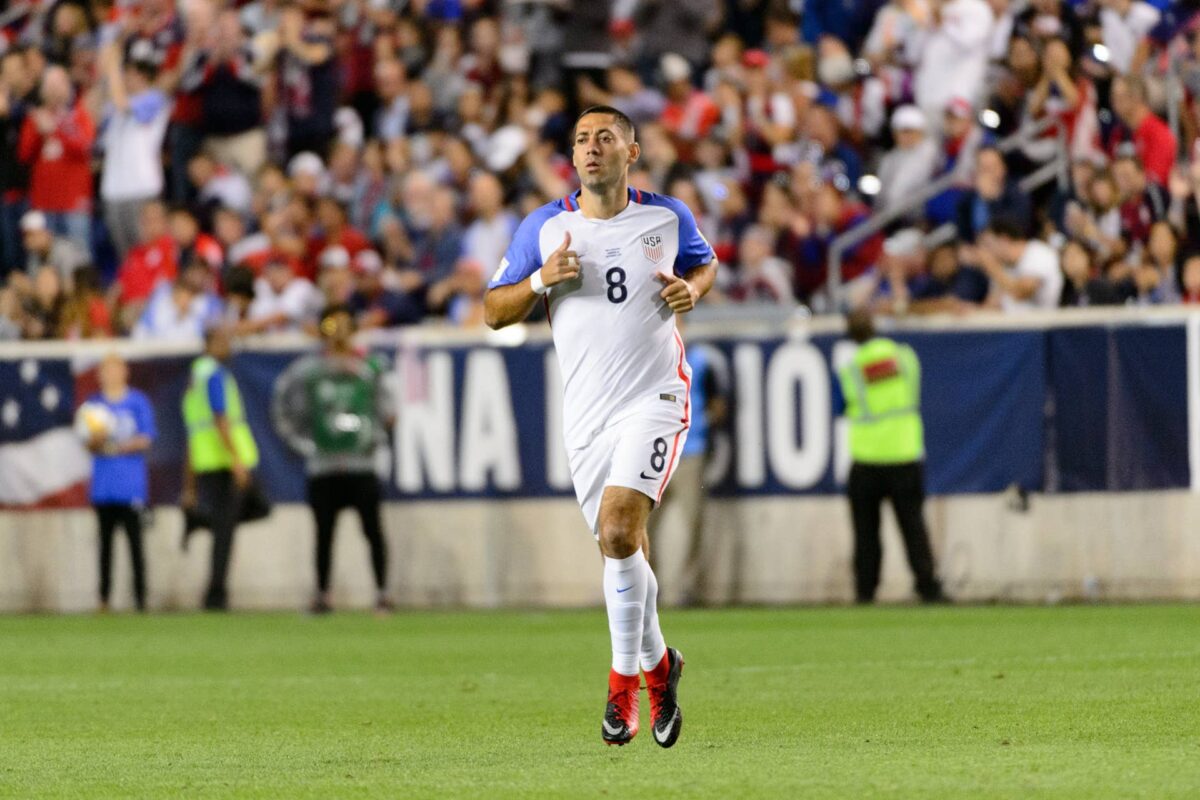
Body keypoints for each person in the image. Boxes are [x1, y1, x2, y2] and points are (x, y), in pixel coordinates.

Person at [484, 105, 718, 748]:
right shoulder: (546, 226)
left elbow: (705, 263)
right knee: (622, 547)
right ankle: (661, 666)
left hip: (655, 396)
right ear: (572, 156)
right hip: (586, 415)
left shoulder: (667, 216)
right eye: (582, 139)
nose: (591, 147)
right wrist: (540, 279)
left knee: (619, 529)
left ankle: (622, 682)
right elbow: (493, 311)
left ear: (631, 152)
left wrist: (694, 290)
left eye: (605, 137)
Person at [271, 305, 394, 614]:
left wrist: (373, 436)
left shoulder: (371, 366)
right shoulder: (308, 370)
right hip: (323, 466)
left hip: (361, 464)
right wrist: (305, 444)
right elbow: (283, 407)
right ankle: (322, 594)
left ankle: (382, 593)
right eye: (331, 326)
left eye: (344, 325)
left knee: (372, 530)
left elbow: (390, 411)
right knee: (324, 533)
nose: (338, 333)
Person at [839, 310, 945, 605]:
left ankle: (865, 593)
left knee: (866, 533)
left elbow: (841, 406)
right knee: (913, 527)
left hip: (867, 458)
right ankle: (928, 588)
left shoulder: (851, 368)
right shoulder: (905, 357)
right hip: (904, 453)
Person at [181, 325, 260, 611]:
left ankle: (200, 520)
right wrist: (236, 459)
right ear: (210, 344)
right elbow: (220, 419)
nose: (228, 345)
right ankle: (216, 595)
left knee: (232, 519)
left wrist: (189, 484)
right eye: (223, 340)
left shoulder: (195, 378)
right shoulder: (214, 375)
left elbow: (192, 431)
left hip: (206, 460)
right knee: (228, 528)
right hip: (224, 460)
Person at [647, 340, 727, 606]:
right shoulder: (647, 355)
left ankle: (686, 590)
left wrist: (699, 424)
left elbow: (718, 405)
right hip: (654, 453)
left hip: (690, 453)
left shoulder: (699, 359)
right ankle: (647, 587)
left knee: (693, 523)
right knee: (642, 525)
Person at [82, 353, 156, 612]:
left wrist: (118, 446)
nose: (111, 374)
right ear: (100, 374)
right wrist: (97, 439)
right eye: (106, 370)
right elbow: (86, 442)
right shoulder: (93, 405)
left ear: (125, 371)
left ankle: (141, 599)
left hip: (131, 485)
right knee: (105, 546)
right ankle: (104, 599)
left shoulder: (138, 402)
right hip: (104, 487)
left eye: (115, 369)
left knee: (136, 544)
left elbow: (146, 438)